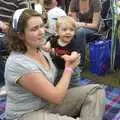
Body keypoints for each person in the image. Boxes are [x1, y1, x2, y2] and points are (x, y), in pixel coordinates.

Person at [5, 8, 105, 120]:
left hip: (48, 104)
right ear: (21, 35)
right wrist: (69, 69)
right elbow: (56, 97)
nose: (42, 31)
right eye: (34, 29)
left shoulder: (41, 49)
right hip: (27, 114)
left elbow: (59, 51)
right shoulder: (18, 63)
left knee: (95, 91)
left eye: (42, 26)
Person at [0, 0, 29, 95]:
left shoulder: (21, 2)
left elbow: (23, 24)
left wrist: (5, 26)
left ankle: (3, 83)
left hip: (9, 33)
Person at [43, 16, 81, 87]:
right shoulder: (55, 39)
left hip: (71, 69)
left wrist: (70, 58)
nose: (68, 32)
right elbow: (49, 43)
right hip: (57, 68)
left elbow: (75, 54)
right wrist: (47, 47)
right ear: (57, 32)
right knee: (57, 81)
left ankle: (75, 91)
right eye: (64, 30)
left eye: (71, 30)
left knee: (73, 84)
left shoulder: (73, 43)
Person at [68, 0, 102, 67]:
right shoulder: (74, 2)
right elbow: (74, 23)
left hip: (94, 31)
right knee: (67, 30)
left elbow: (95, 25)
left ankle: (80, 63)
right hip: (80, 29)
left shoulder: (95, 2)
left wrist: (81, 24)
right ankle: (66, 58)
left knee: (80, 32)